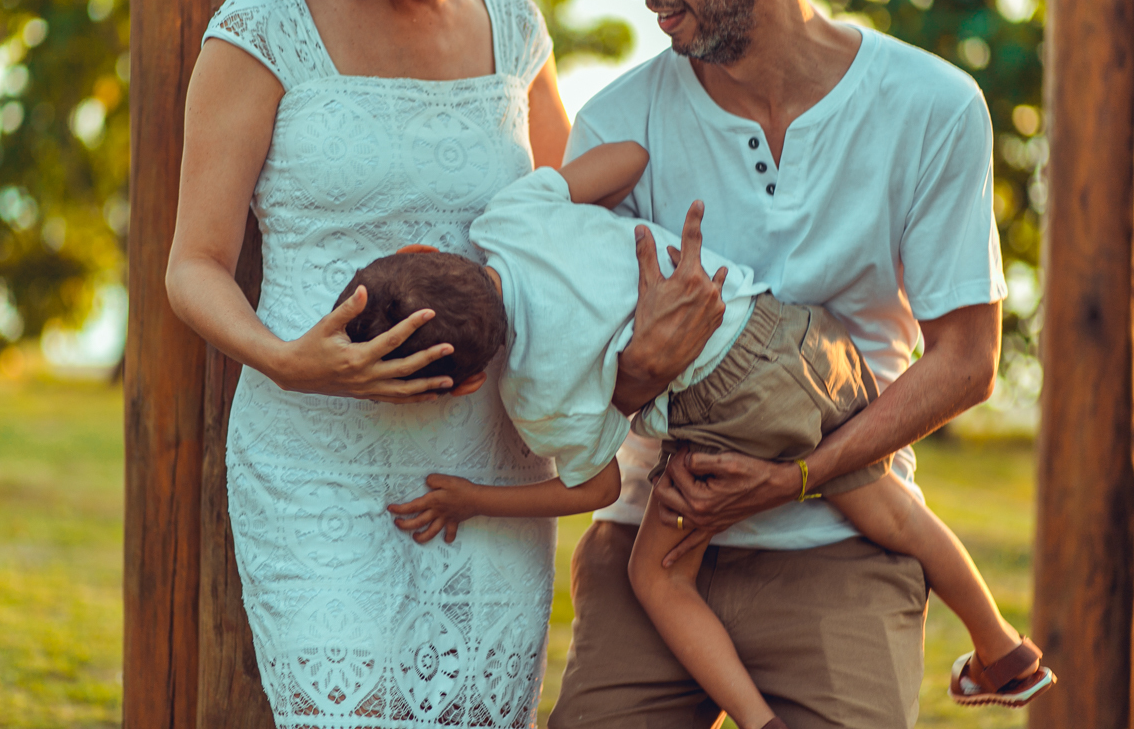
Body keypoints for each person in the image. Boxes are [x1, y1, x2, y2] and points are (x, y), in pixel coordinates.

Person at [359, 142, 1052, 729]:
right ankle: (1002, 648)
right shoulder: (511, 217)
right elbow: (630, 157)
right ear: (426, 251)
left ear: (466, 385)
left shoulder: (535, 395)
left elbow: (596, 488)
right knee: (892, 508)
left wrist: (475, 499)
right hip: (786, 332)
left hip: (727, 411)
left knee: (656, 577)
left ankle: (759, 722)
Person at [544, 0, 1023, 726]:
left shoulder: (933, 107)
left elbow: (968, 362)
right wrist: (635, 374)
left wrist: (800, 476)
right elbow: (575, 372)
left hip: (842, 549)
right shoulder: (616, 126)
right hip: (651, 537)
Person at [162, 0, 572, 723]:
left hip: (490, 470)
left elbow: (568, 224)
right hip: (314, 465)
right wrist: (285, 361)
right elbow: (194, 264)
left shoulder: (517, 27)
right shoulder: (263, 28)